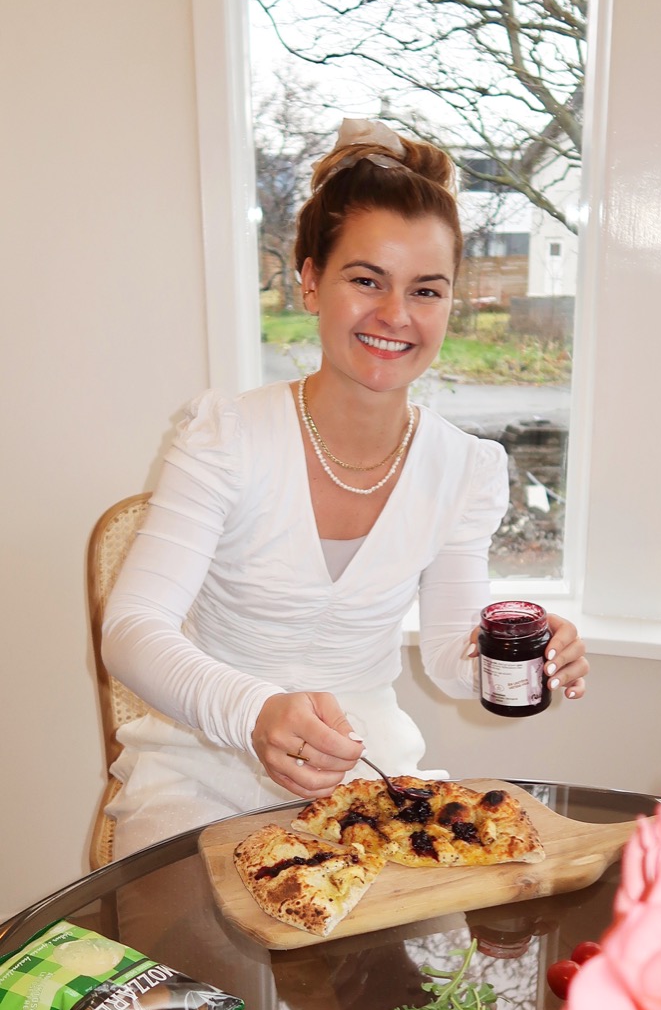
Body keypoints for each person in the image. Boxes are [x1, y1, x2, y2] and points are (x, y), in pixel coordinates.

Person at [101, 117, 589, 859]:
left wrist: (519, 659)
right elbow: (132, 629)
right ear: (309, 281)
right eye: (366, 280)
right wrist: (253, 711)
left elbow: (449, 662)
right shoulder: (227, 438)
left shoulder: (463, 469)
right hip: (205, 763)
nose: (396, 315)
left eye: (426, 290)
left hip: (368, 771)